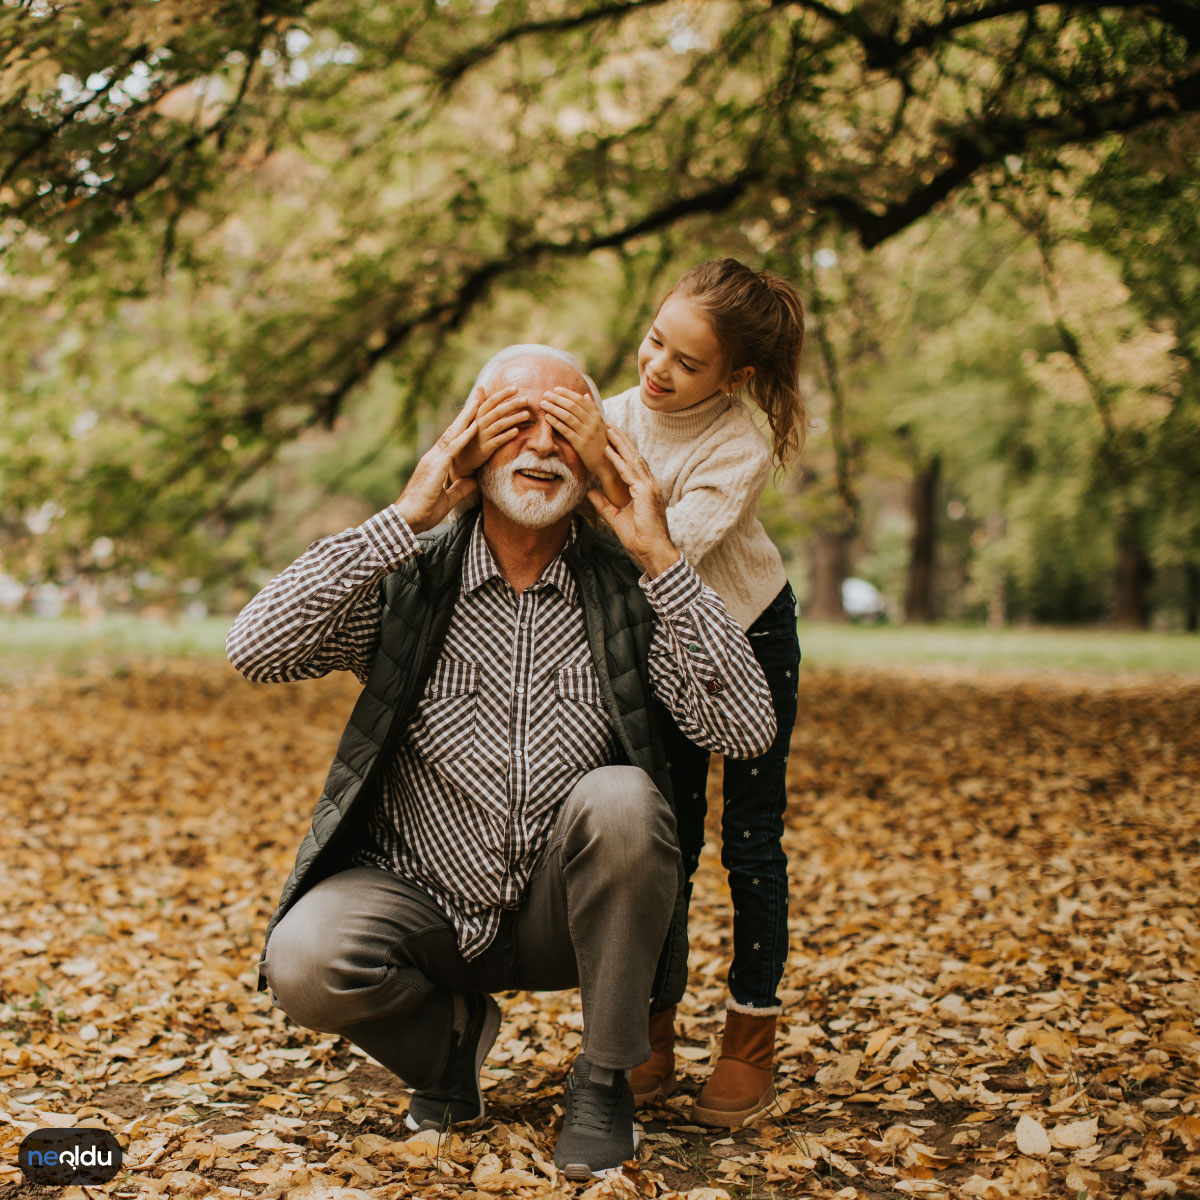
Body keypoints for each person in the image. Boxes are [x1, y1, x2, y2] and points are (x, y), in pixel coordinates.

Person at [226, 344, 777, 1179]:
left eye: (567, 427)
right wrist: (406, 514)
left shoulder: (631, 589)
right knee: (303, 959)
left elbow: (744, 728)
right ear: (469, 441)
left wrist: (660, 554)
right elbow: (256, 647)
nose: (541, 445)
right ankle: (449, 1049)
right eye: (514, 422)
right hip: (422, 901)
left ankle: (603, 1078)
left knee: (625, 800)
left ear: (597, 451)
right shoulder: (408, 578)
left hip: (568, 918)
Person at [535, 260, 806, 1127]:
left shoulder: (739, 444)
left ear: (736, 376)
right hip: (660, 647)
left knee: (751, 840)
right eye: (657, 341)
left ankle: (749, 1034)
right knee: (670, 836)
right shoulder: (608, 416)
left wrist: (611, 480)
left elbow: (666, 547)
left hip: (748, 631)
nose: (659, 368)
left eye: (688, 363)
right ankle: (652, 1020)